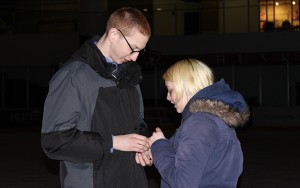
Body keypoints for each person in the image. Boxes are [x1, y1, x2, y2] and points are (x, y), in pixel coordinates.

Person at [41, 7, 153, 188]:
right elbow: (54, 141)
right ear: (114, 34)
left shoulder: (130, 76)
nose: (135, 57)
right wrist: (113, 142)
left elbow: (138, 124)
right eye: (133, 49)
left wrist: (145, 145)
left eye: (141, 51)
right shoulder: (74, 76)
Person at [148, 58, 250, 188]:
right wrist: (154, 150)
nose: (168, 97)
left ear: (186, 87)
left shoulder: (199, 124)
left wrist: (159, 145)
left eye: (171, 90)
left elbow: (182, 183)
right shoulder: (210, 119)